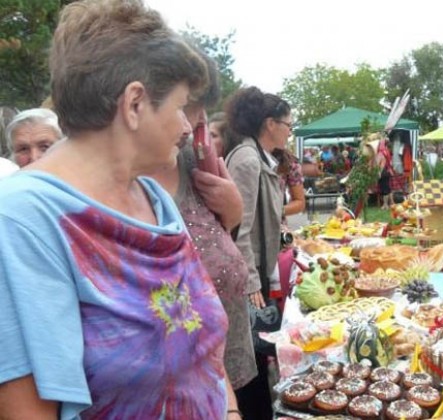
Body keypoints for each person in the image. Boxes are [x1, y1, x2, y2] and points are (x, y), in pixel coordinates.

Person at [0, 1, 236, 418]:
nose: (186, 126)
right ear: (134, 104)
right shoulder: (22, 222)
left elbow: (204, 346)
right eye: (180, 105)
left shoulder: (153, 197)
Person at [150, 54, 257, 398]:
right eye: (186, 105)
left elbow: (224, 234)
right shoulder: (127, 183)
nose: (193, 123)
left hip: (235, 353)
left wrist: (235, 211)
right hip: (188, 383)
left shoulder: (193, 160)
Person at [224, 86, 289, 420]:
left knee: (260, 350)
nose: (290, 131)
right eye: (287, 124)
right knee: (250, 354)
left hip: (259, 270)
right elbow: (240, 228)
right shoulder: (247, 160)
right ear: (269, 123)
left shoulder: (261, 158)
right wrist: (250, 283)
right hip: (247, 276)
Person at [273, 147, 306, 219]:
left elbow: (299, 202)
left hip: (277, 224)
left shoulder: (289, 162)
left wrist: (276, 211)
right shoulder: (248, 154)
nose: (289, 135)